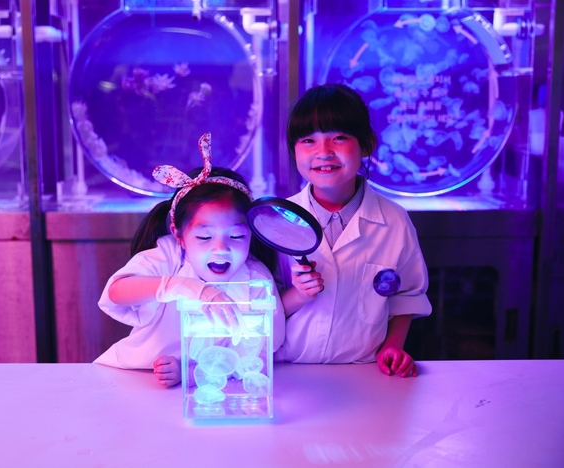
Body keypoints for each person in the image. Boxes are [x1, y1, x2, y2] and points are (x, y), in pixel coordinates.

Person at [95, 133, 285, 387]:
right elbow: (116, 292)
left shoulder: (257, 280)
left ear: (251, 232)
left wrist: (189, 371)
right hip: (130, 377)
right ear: (179, 236)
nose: (221, 249)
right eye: (204, 237)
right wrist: (184, 286)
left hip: (204, 391)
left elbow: (257, 354)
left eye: (236, 236)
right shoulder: (169, 255)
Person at [275, 84, 432, 378]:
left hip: (364, 371)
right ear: (293, 150)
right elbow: (259, 303)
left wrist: (392, 347)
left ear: (367, 145)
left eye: (339, 138)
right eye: (308, 140)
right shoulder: (277, 221)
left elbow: (407, 294)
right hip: (289, 370)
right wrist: (298, 294)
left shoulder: (394, 220)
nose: (323, 152)